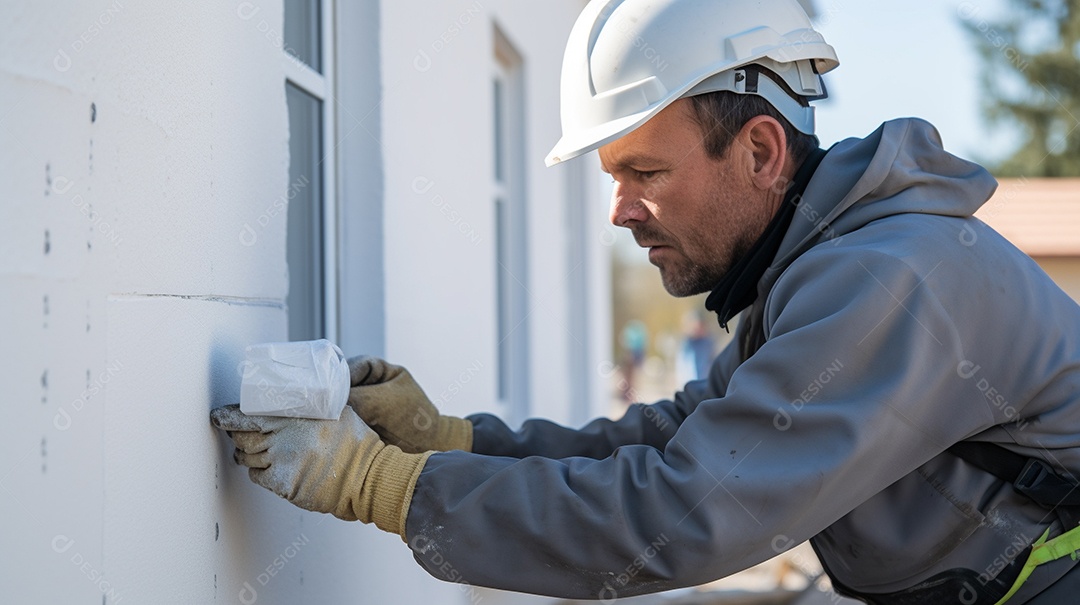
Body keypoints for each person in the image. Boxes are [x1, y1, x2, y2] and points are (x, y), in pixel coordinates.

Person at [210, 1, 1080, 603]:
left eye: (646, 173)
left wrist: (383, 484)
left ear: (762, 151)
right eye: (613, 176)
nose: (621, 210)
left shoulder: (889, 280)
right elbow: (679, 438)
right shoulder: (823, 265)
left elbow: (684, 512)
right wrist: (454, 442)